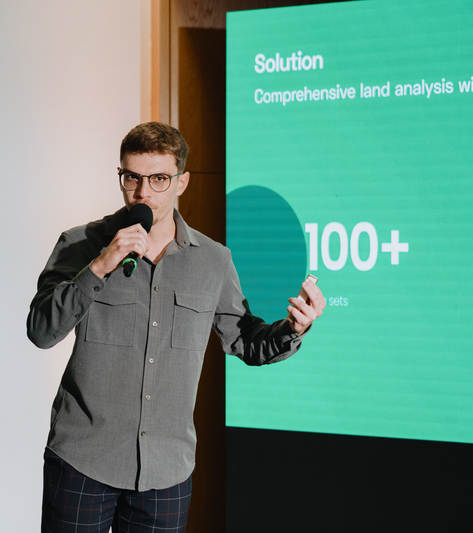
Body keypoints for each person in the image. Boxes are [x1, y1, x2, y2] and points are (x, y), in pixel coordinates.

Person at [27, 122, 325, 532]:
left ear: (181, 182)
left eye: (158, 179)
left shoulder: (213, 260)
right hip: (83, 460)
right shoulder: (80, 244)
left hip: (166, 471)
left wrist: (293, 327)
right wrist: (99, 266)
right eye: (132, 177)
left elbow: (246, 340)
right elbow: (41, 331)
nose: (142, 192)